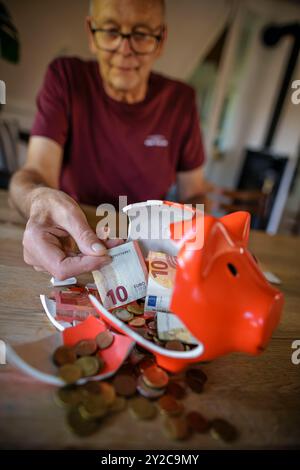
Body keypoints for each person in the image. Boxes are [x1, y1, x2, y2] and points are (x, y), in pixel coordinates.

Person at [9, 0, 207, 280]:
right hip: (73, 248)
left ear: (160, 40)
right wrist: (38, 198)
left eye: (140, 35)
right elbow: (33, 174)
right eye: (111, 31)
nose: (124, 50)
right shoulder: (65, 78)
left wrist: (185, 238)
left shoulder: (181, 100)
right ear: (91, 34)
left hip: (149, 260)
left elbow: (195, 194)